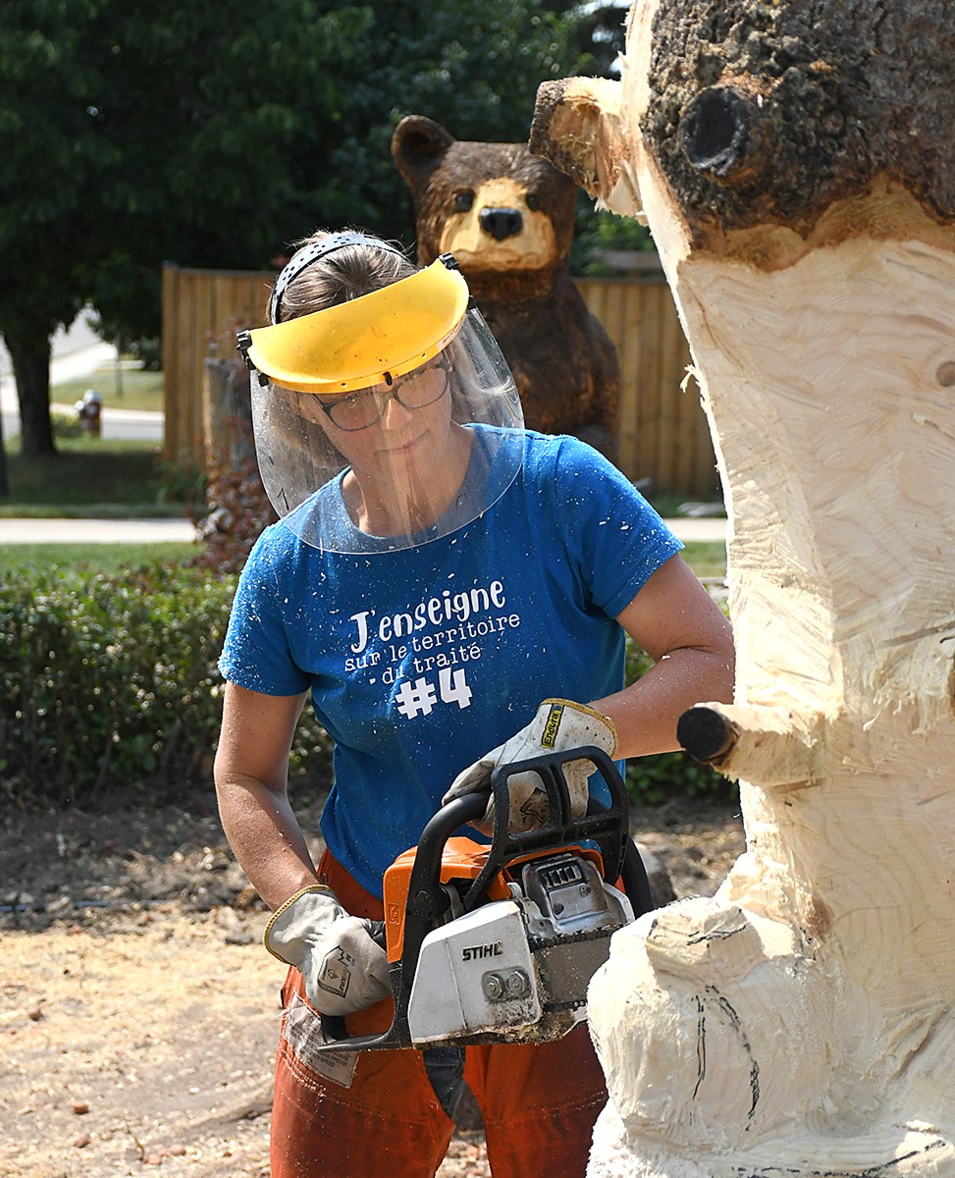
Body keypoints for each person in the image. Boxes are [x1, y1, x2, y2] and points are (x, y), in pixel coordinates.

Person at [214, 228, 735, 1178]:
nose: (390, 415)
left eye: (411, 376)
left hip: (558, 891)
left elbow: (713, 661)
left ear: (447, 357)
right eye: (349, 395)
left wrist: (581, 733)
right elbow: (247, 776)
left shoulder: (561, 489)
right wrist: (306, 914)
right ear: (305, 404)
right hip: (372, 922)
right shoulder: (288, 568)